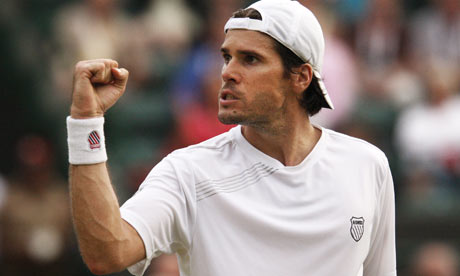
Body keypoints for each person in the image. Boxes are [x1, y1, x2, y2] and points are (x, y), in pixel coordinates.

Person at [66, 1, 396, 275]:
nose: (226, 72)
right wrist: (86, 123)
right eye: (227, 57)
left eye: (250, 59)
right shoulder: (187, 172)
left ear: (300, 77)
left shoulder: (368, 165)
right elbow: (107, 252)